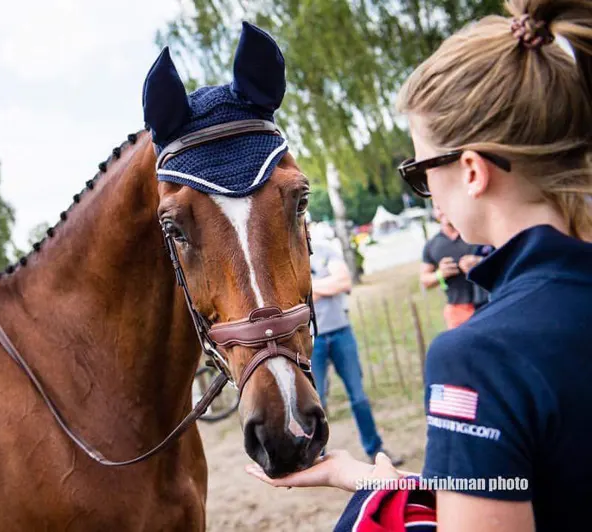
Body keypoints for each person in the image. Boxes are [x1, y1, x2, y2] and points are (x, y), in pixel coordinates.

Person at [246, 1, 592, 530]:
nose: (427, 193)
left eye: (420, 170)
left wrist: (372, 512)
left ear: (472, 171)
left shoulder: (480, 358)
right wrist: (373, 481)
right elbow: (527, 485)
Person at [310, 240, 404, 467]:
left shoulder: (326, 251)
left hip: (342, 332)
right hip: (312, 340)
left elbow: (343, 281)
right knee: (316, 401)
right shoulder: (289, 255)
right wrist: (324, 286)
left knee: (359, 397)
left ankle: (376, 450)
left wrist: (312, 288)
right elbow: (297, 293)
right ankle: (316, 457)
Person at [420, 203, 485, 329]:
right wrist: (440, 274)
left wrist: (480, 262)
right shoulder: (431, 245)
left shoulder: (477, 233)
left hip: (489, 303)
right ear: (434, 213)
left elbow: (505, 258)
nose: (443, 211)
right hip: (458, 310)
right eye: (438, 208)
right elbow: (424, 280)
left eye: (444, 205)